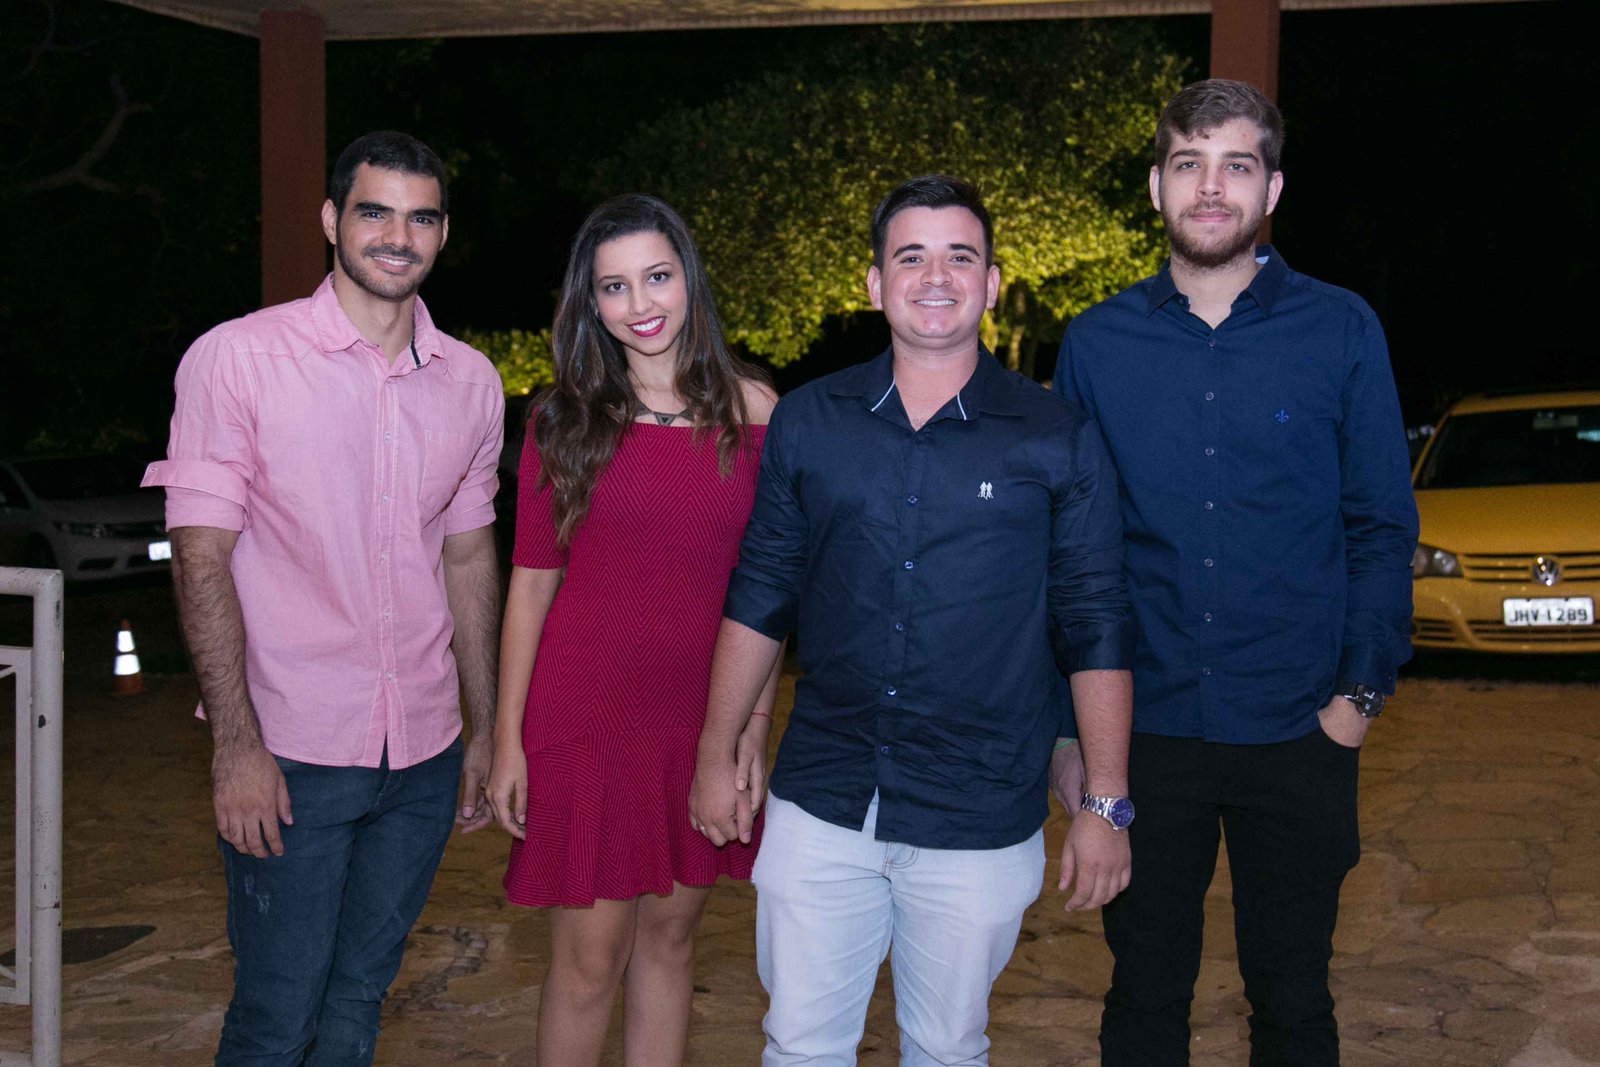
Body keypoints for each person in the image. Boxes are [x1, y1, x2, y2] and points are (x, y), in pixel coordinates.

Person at [689, 175, 1137, 1066]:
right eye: (911, 257)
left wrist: (1107, 802)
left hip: (980, 807)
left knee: (946, 1049)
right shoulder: (811, 420)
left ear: (992, 283)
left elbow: (1095, 620)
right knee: (799, 1046)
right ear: (874, 283)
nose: (936, 277)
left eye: (960, 257)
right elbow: (762, 590)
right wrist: (715, 750)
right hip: (823, 799)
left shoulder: (1056, 436)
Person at [1054, 79, 1418, 1065]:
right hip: (1143, 729)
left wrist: (1356, 698)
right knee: (1143, 999)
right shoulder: (1095, 342)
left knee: (1294, 1001)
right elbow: (1070, 551)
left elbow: (1380, 522)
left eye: (1236, 165)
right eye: (1189, 163)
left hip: (1298, 724)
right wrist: (1070, 734)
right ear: (1156, 185)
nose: (1211, 187)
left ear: (1272, 188)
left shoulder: (1342, 329)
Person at [141, 130, 505, 1065]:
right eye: (375, 212)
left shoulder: (471, 382)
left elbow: (468, 559)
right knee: (276, 1018)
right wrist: (235, 746)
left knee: (356, 1004)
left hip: (423, 753)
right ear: (332, 220)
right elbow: (200, 557)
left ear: (442, 233)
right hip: (291, 751)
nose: (398, 236)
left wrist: (484, 728)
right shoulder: (238, 359)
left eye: (420, 218)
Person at [484, 194, 780, 1067]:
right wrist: (506, 740)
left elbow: (769, 590)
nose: (640, 303)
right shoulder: (563, 419)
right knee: (587, 962)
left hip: (702, 719)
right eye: (614, 286)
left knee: (672, 943)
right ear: (591, 302)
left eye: (657, 276)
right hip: (586, 717)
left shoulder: (759, 413)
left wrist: (751, 730)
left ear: (690, 278)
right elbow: (530, 587)